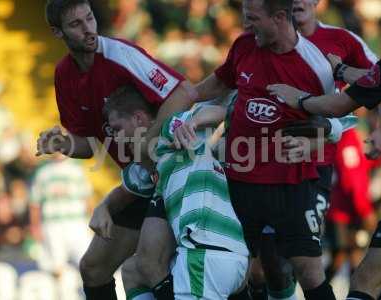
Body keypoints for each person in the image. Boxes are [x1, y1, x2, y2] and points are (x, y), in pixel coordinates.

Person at [177, 0, 340, 299]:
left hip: (291, 184)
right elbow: (220, 82)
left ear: (279, 17)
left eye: (253, 19)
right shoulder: (244, 46)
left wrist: (314, 140)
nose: (247, 26)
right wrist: (182, 99)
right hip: (240, 182)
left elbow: (340, 120)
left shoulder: (314, 65)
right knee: (243, 270)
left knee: (307, 269)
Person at [38, 1, 197, 299]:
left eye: (90, 18)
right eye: (76, 24)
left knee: (147, 265)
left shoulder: (119, 54)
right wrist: (63, 143)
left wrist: (148, 143)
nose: (89, 29)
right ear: (57, 33)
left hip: (171, 171)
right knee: (93, 268)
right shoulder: (64, 76)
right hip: (139, 179)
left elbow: (185, 92)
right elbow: (88, 145)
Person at [246, 0, 379, 298]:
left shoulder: (342, 41)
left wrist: (341, 75)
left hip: (316, 167)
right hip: (263, 168)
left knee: (304, 263)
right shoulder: (258, 40)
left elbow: (371, 84)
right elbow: (232, 88)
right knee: (259, 267)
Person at [103, 85, 249, 300]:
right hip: (227, 255)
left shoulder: (165, 133)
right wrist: (103, 208)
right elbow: (127, 187)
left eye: (116, 129)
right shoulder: (159, 170)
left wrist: (192, 122)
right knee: (133, 269)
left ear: (138, 119)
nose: (115, 138)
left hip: (204, 256)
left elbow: (219, 112)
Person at [267, 59, 381, 300]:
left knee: (361, 272)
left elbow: (342, 103)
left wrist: (301, 98)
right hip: (342, 210)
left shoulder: (351, 137)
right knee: (358, 267)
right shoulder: (351, 137)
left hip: (344, 209)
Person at [29, 154, 92, 279]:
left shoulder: (76, 170)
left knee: (89, 263)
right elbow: (34, 203)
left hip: (77, 223)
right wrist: (35, 227)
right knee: (56, 268)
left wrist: (92, 221)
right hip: (52, 225)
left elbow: (87, 198)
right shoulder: (42, 172)